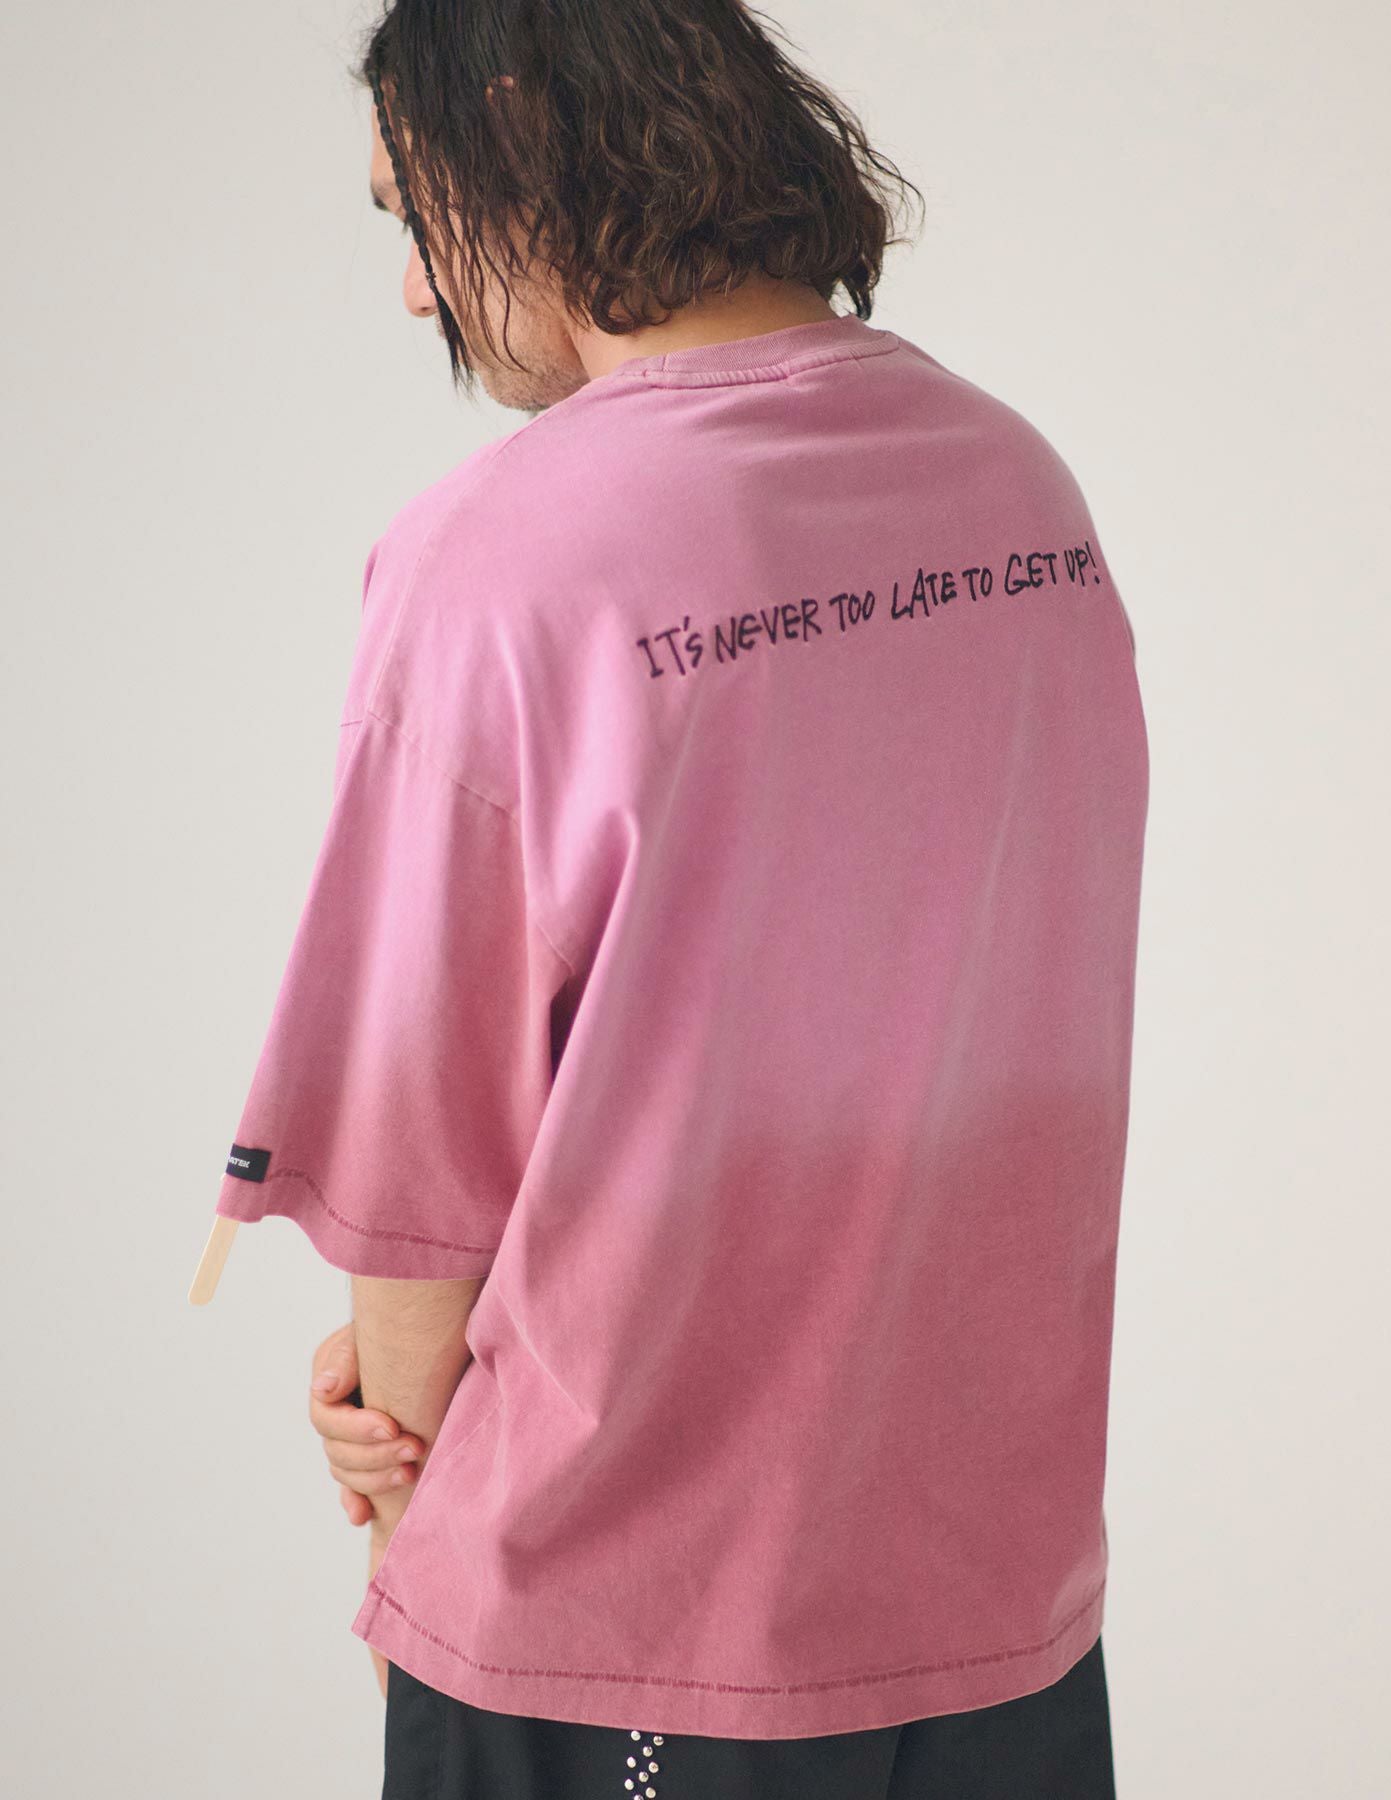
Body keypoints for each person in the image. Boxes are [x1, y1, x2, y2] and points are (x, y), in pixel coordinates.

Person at [209, 2, 1148, 1793]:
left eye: (414, 214)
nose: (415, 291)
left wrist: (403, 1443)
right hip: (995, 1622)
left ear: (514, 137)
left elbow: (416, 1144)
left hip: (631, 1638)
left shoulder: (506, 555)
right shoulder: (1018, 489)